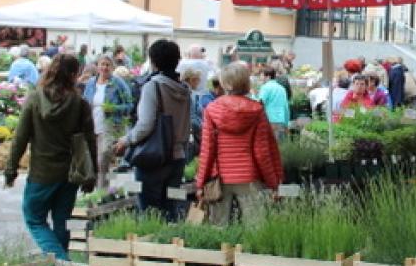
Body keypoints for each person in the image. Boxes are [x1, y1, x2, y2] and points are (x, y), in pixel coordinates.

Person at [5, 54, 98, 260]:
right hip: (70, 173)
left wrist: (11, 169)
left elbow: (20, 138)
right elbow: (90, 141)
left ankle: (62, 262)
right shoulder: (80, 104)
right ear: (74, 75)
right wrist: (92, 174)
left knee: (34, 219)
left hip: (42, 173)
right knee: (62, 221)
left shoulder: (34, 99)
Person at [196, 62, 283, 225]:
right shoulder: (257, 110)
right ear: (246, 82)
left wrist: (200, 183)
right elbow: (262, 152)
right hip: (250, 177)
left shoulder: (211, 110)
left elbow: (207, 150)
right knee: (256, 229)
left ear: (224, 83)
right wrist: (274, 183)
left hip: (220, 178)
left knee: (218, 228)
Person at [115, 40, 192, 220]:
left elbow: (145, 125)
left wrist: (126, 140)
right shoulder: (185, 89)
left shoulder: (153, 86)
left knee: (149, 212)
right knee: (171, 209)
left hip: (154, 158)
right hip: (178, 157)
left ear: (153, 61)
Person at [83, 55, 133, 188]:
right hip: (92, 125)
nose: (104, 67)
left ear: (112, 67)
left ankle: (102, 191)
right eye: (102, 64)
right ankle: (96, 190)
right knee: (93, 160)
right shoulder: (91, 83)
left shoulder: (118, 83)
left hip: (110, 125)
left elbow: (129, 105)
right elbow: (84, 102)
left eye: (107, 65)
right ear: (97, 66)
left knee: (103, 158)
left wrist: (114, 108)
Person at [258, 67, 290, 140]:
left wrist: (253, 96)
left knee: (268, 144)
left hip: (269, 120)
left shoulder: (265, 87)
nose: (260, 78)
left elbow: (260, 103)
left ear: (268, 77)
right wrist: (286, 123)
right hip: (281, 120)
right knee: (279, 145)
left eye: (261, 75)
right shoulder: (282, 88)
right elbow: (285, 107)